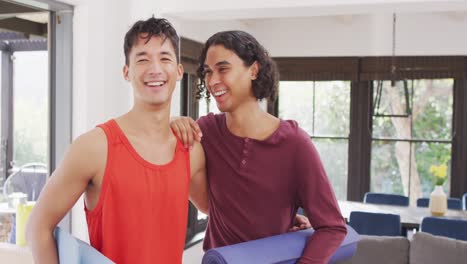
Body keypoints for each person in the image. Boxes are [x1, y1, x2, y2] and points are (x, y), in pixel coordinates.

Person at [26, 17, 208, 264]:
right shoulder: (94, 148)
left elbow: (213, 209)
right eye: (143, 59)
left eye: (165, 58)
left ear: (178, 71)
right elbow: (38, 227)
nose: (155, 68)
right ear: (126, 72)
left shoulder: (191, 149)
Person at [170, 30, 347, 263]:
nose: (212, 81)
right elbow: (211, 205)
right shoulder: (206, 132)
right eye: (208, 72)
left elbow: (333, 228)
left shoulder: (295, 144)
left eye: (223, 69)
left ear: (253, 70)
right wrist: (172, 124)